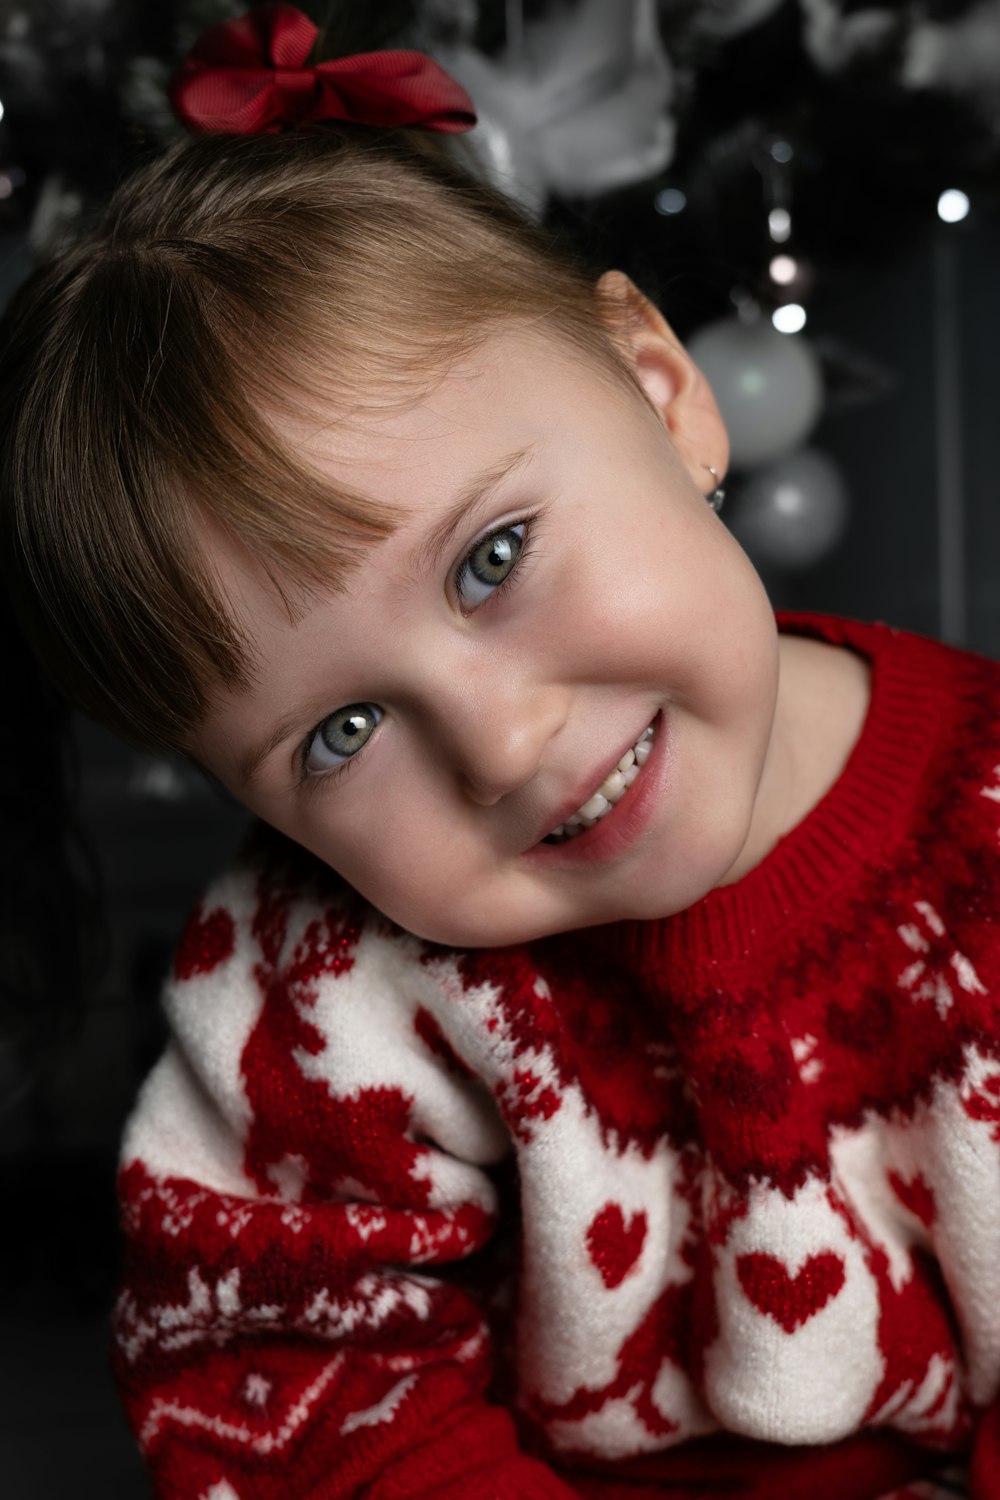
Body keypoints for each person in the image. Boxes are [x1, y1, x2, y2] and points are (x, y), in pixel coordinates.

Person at [2, 7, 999, 1498]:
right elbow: (280, 1385)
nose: (504, 743)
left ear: (664, 397)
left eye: (492, 558)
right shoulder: (312, 985)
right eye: (341, 732)